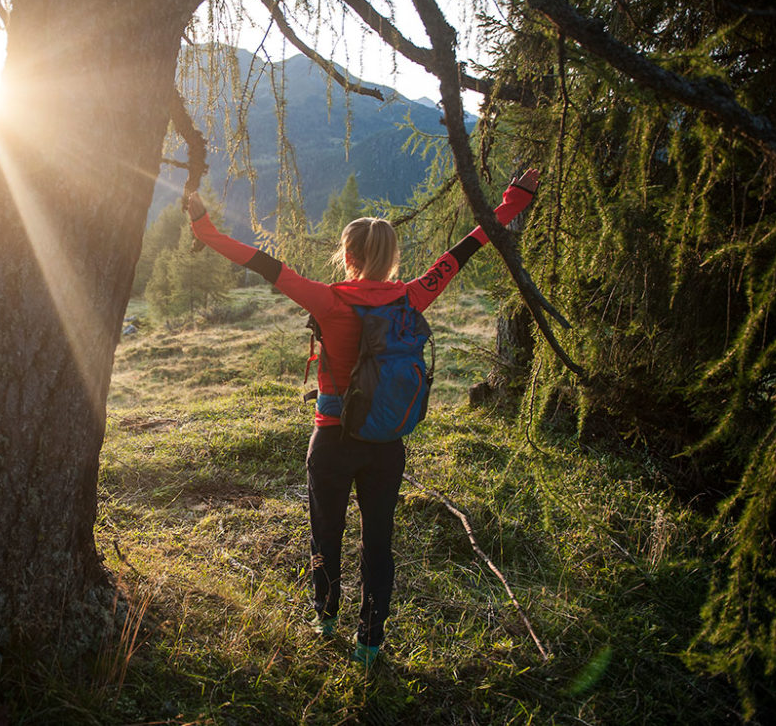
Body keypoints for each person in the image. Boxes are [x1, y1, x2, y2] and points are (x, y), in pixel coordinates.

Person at [185, 168, 539, 667]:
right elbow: (470, 244)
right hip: (386, 444)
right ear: (393, 258)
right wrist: (514, 200)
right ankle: (370, 643)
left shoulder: (326, 299)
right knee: (379, 541)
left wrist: (203, 227)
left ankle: (325, 617)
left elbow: (260, 262)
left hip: (332, 440)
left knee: (325, 532)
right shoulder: (414, 295)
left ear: (348, 257)